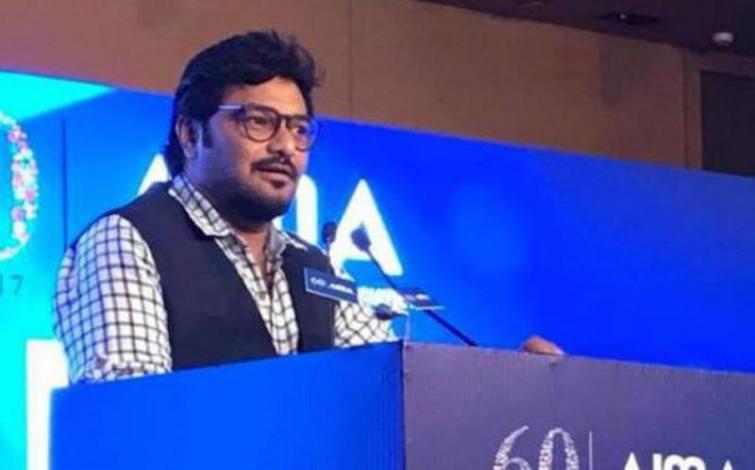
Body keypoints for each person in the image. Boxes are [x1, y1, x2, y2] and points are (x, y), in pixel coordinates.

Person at [53, 30, 396, 383]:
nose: (285, 146)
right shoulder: (127, 241)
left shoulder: (315, 265)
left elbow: (388, 386)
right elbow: (136, 405)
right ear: (191, 134)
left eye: (298, 129)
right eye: (259, 121)